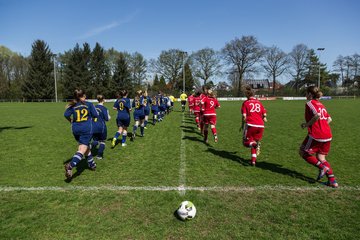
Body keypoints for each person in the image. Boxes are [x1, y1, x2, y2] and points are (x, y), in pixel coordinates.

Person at [299, 86, 338, 188]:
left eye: (306, 93)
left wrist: (307, 124)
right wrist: (322, 126)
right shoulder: (321, 104)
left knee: (303, 152)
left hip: (317, 134)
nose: (306, 95)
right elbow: (329, 119)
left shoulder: (310, 103)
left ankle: (322, 168)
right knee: (321, 157)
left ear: (310, 94)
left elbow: (316, 116)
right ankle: (332, 181)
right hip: (327, 134)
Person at [64, 89, 99, 179]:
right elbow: (96, 115)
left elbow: (66, 115)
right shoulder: (89, 104)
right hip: (86, 129)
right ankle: (70, 166)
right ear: (81, 96)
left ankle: (92, 164)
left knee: (85, 146)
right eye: (84, 96)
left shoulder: (73, 105)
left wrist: (71, 121)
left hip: (75, 129)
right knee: (82, 148)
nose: (85, 97)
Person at [241, 85, 267, 166]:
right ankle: (253, 161)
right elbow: (264, 114)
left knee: (246, 143)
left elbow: (244, 116)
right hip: (261, 126)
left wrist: (243, 124)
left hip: (251, 125)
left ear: (247, 95)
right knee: (253, 142)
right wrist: (265, 118)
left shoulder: (245, 103)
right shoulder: (259, 102)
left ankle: (256, 145)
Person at [91, 95, 111, 159]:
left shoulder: (93, 107)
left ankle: (91, 145)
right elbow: (107, 119)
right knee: (102, 141)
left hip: (93, 125)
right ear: (103, 100)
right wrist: (109, 116)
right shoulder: (104, 108)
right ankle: (99, 156)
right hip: (101, 126)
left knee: (96, 140)